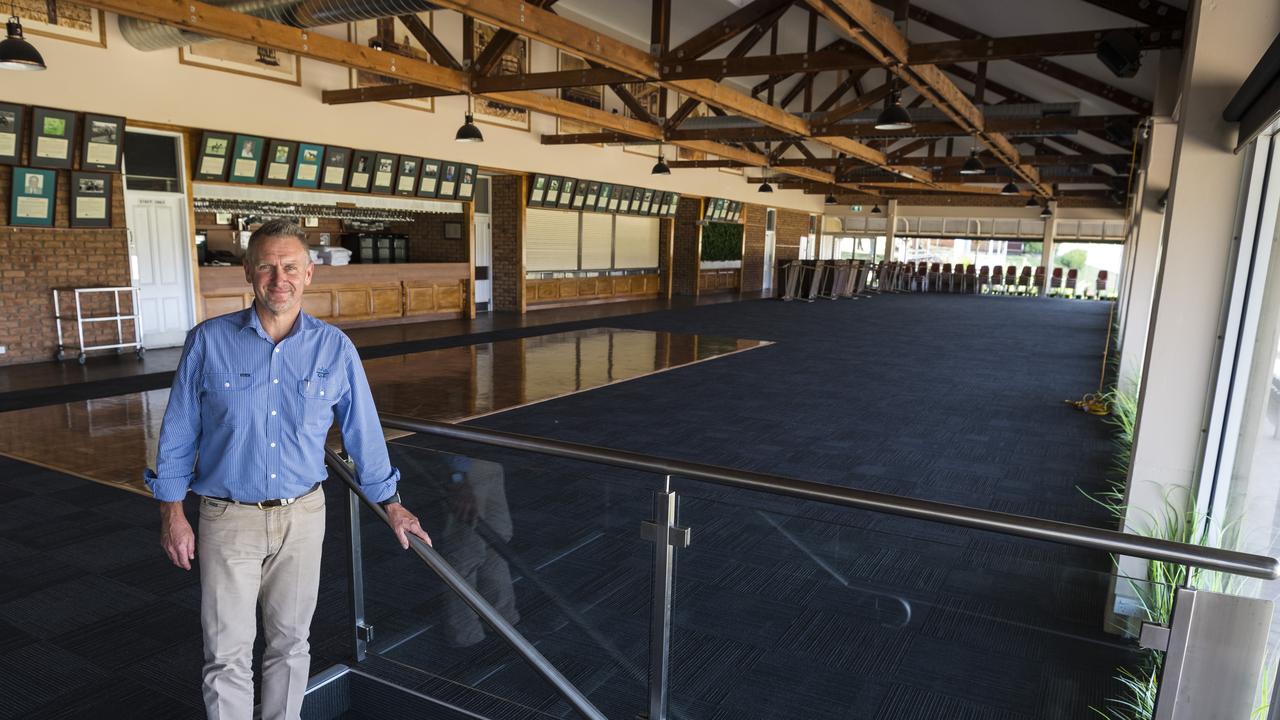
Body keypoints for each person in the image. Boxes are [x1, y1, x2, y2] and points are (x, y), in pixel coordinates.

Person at [143, 219, 431, 720]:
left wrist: (392, 503)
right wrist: (172, 512)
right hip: (227, 518)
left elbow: (364, 432)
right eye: (268, 267)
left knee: (292, 644)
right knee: (226, 653)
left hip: (303, 517)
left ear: (310, 273)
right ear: (249, 272)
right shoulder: (208, 342)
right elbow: (177, 434)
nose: (280, 279)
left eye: (291, 267)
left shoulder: (335, 348)